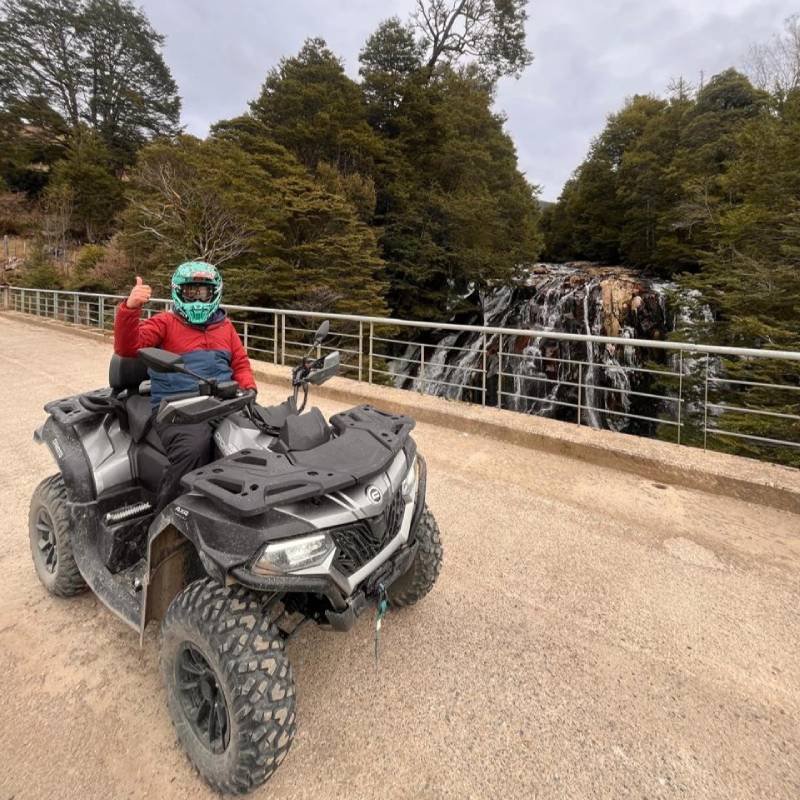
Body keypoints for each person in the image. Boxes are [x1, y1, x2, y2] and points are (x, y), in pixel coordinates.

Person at [114, 261, 257, 510]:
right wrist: (130, 308)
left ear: (214, 293)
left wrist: (249, 389)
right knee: (193, 449)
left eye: (203, 292)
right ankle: (167, 514)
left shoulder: (225, 327)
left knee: (254, 441)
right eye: (191, 292)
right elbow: (127, 346)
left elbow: (241, 363)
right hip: (178, 408)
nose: (197, 298)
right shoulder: (164, 323)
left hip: (223, 402)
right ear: (179, 292)